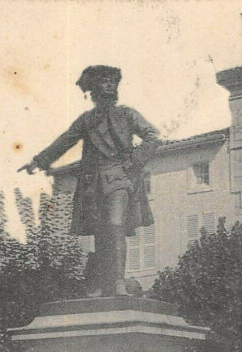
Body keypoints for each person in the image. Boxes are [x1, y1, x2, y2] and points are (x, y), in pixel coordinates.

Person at [19, 65, 160, 297]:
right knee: (100, 232)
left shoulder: (127, 114)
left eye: (112, 81)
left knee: (115, 225)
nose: (109, 85)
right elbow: (65, 141)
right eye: (104, 81)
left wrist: (133, 161)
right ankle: (102, 282)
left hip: (119, 178)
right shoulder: (86, 120)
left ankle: (118, 282)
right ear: (93, 89)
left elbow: (153, 137)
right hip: (93, 184)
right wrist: (38, 161)